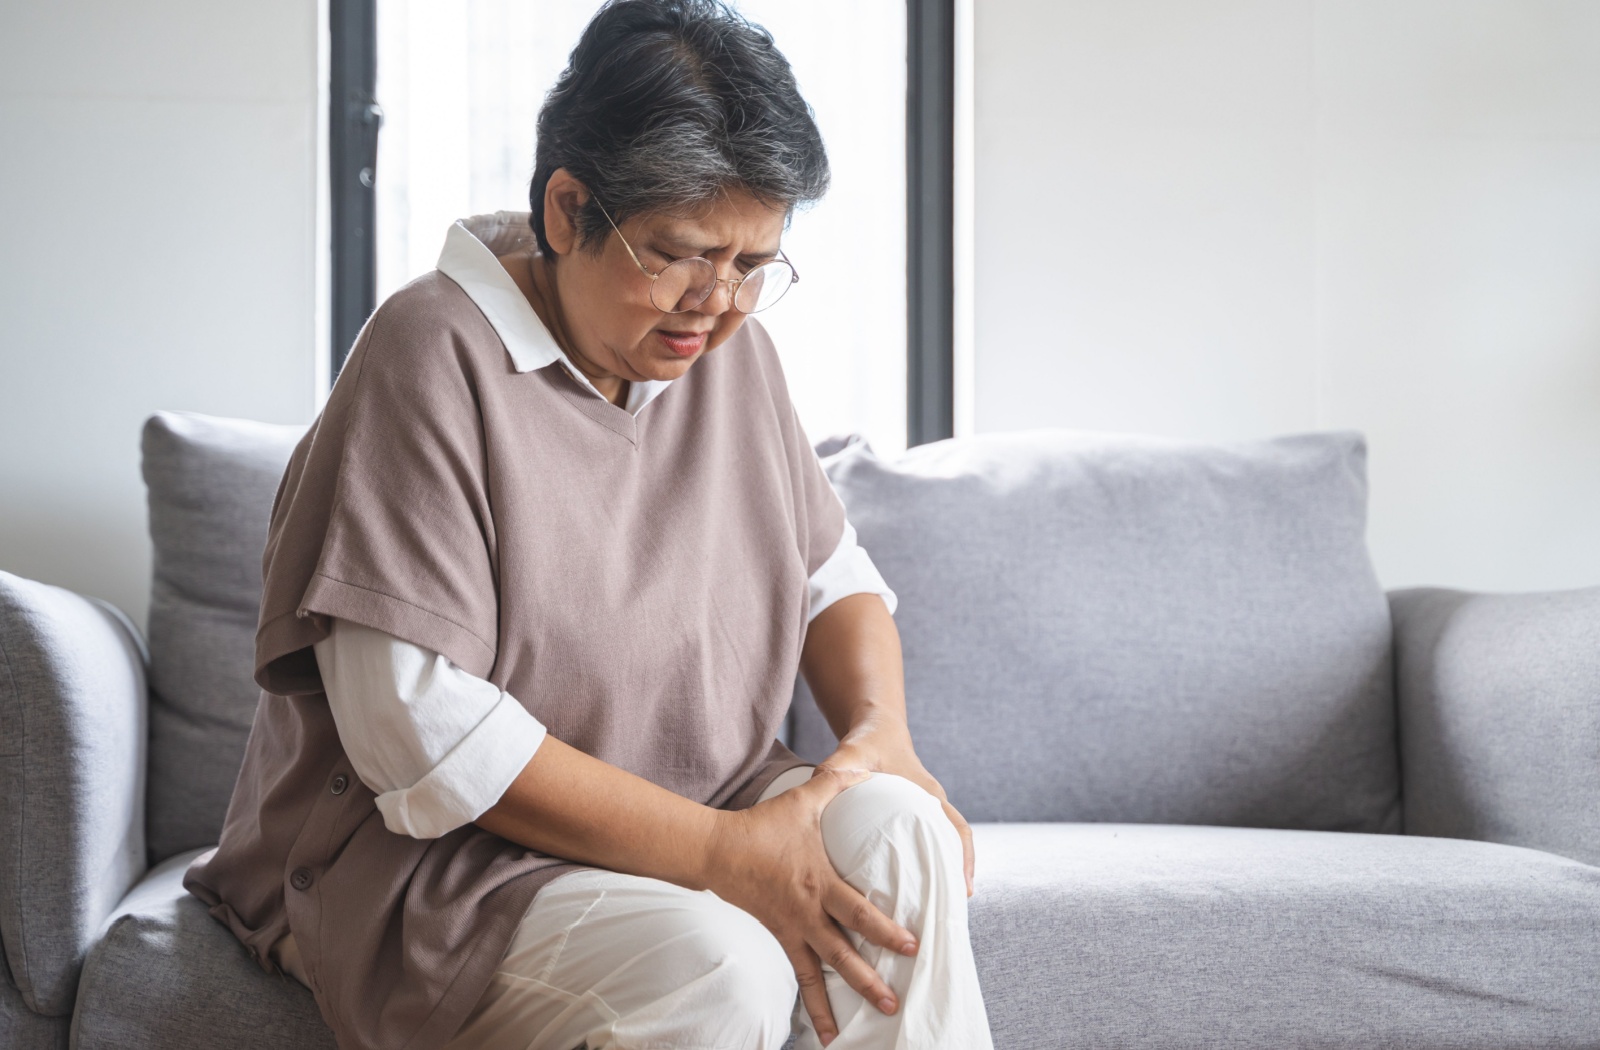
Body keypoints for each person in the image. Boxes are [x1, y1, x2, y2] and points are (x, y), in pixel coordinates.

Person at [184, 2, 994, 1048]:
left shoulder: (726, 350)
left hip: (705, 803)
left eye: (754, 263)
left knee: (902, 834)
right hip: (443, 864)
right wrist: (720, 856)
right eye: (680, 253)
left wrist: (880, 738)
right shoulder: (428, 353)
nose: (720, 301)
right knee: (718, 966)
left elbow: (830, 578)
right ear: (568, 210)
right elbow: (414, 732)